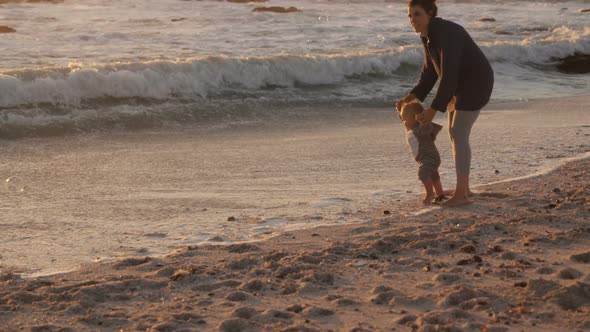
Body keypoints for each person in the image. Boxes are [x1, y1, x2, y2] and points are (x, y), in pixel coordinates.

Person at [396, 0, 494, 207]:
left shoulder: (445, 33)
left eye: (417, 14)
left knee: (459, 132)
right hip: (458, 86)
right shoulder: (428, 37)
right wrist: (411, 96)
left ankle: (462, 195)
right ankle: (464, 189)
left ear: (430, 13)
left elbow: (448, 75)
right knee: (454, 132)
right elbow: (430, 72)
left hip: (476, 82)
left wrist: (433, 109)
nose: (412, 20)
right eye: (409, 15)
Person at [399, 101, 445, 205]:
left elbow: (426, 128)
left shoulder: (420, 129)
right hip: (428, 157)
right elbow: (405, 118)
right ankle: (440, 194)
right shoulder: (411, 127)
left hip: (429, 157)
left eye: (405, 119)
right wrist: (400, 108)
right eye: (402, 119)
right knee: (434, 175)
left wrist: (423, 120)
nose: (403, 122)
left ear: (416, 118)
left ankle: (430, 194)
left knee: (423, 174)